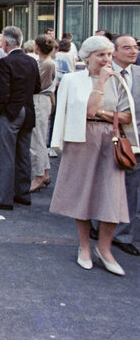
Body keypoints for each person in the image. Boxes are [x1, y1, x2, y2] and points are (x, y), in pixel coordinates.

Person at [50, 35, 138, 276]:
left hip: (110, 140)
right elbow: (86, 111)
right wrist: (99, 88)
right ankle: (85, 247)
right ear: (87, 57)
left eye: (109, 55)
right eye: (101, 55)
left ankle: (105, 248)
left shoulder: (118, 80)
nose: (106, 59)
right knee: (84, 194)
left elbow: (128, 116)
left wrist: (102, 112)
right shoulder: (73, 79)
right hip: (82, 139)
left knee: (112, 194)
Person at [89, 34, 140, 257]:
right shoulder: (101, 75)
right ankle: (97, 225)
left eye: (135, 47)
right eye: (127, 48)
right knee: (101, 182)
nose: (133, 51)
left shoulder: (138, 75)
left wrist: (104, 113)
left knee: (131, 188)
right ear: (115, 52)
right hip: (104, 137)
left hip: (133, 140)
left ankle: (123, 234)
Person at [0, 26, 41, 211]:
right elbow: (37, 87)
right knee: (23, 154)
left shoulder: (6, 62)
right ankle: (22, 193)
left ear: (6, 43)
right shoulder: (32, 61)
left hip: (12, 111)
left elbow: (4, 92)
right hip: (28, 109)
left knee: (5, 155)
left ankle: (3, 198)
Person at [29, 35, 57, 192]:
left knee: (37, 139)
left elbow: (37, 84)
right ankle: (44, 172)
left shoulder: (46, 64)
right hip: (42, 100)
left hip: (39, 100)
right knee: (40, 137)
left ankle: (39, 175)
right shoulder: (45, 62)